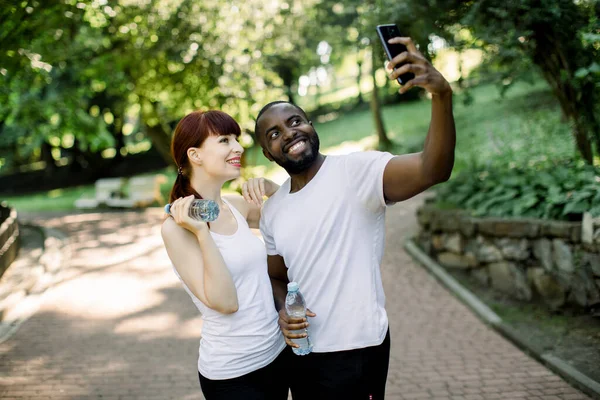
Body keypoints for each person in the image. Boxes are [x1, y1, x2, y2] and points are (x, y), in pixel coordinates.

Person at [250, 36, 456, 399]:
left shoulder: (358, 171)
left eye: (295, 120)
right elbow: (276, 277)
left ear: (311, 124)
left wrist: (441, 95)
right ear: (269, 154)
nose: (289, 133)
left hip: (358, 352)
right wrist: (283, 311)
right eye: (275, 134)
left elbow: (432, 169)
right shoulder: (274, 210)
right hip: (302, 354)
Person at [160, 110, 289, 400]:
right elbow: (225, 302)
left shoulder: (235, 206)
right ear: (195, 155)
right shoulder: (176, 230)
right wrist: (203, 234)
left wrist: (271, 188)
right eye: (224, 140)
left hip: (277, 356)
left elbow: (294, 219)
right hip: (234, 375)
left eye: (237, 139)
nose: (239, 148)